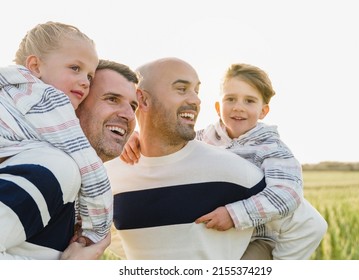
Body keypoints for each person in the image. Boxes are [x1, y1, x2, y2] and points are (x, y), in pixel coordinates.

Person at [121, 63, 328, 260]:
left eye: (249, 101)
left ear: (263, 111)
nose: (238, 107)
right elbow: (173, 140)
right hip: (219, 234)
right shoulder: (206, 138)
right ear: (218, 106)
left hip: (259, 236)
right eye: (231, 99)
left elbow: (287, 194)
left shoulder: (271, 148)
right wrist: (137, 135)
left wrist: (235, 214)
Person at [105, 57, 269, 260]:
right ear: (143, 100)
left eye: (196, 91)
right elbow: (100, 232)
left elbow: (306, 228)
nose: (196, 100)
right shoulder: (109, 173)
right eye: (182, 89)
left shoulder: (235, 169)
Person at [0, 59, 139, 259]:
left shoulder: (75, 186)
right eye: (112, 99)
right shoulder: (55, 168)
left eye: (133, 106)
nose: (128, 114)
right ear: (71, 105)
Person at [0, 21, 109, 245]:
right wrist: (96, 229)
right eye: (75, 68)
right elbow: (86, 163)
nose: (85, 82)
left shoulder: (10, 92)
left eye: (90, 76)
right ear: (35, 67)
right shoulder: (47, 98)